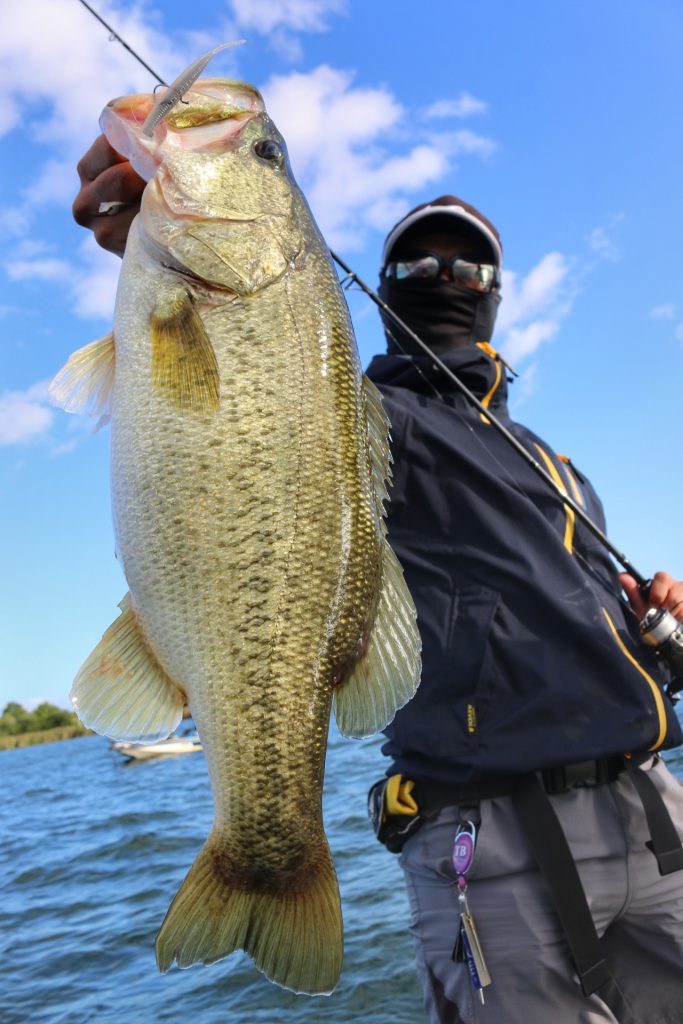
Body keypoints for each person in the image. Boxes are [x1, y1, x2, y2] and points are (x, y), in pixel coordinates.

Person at [73, 138, 683, 1023]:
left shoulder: (552, 464)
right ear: (385, 289)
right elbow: (252, 401)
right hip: (497, 841)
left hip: (656, 815)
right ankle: (263, 856)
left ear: (495, 294)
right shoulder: (362, 416)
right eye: (419, 263)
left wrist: (646, 621)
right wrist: (152, 232)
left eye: (469, 265)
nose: (447, 276)